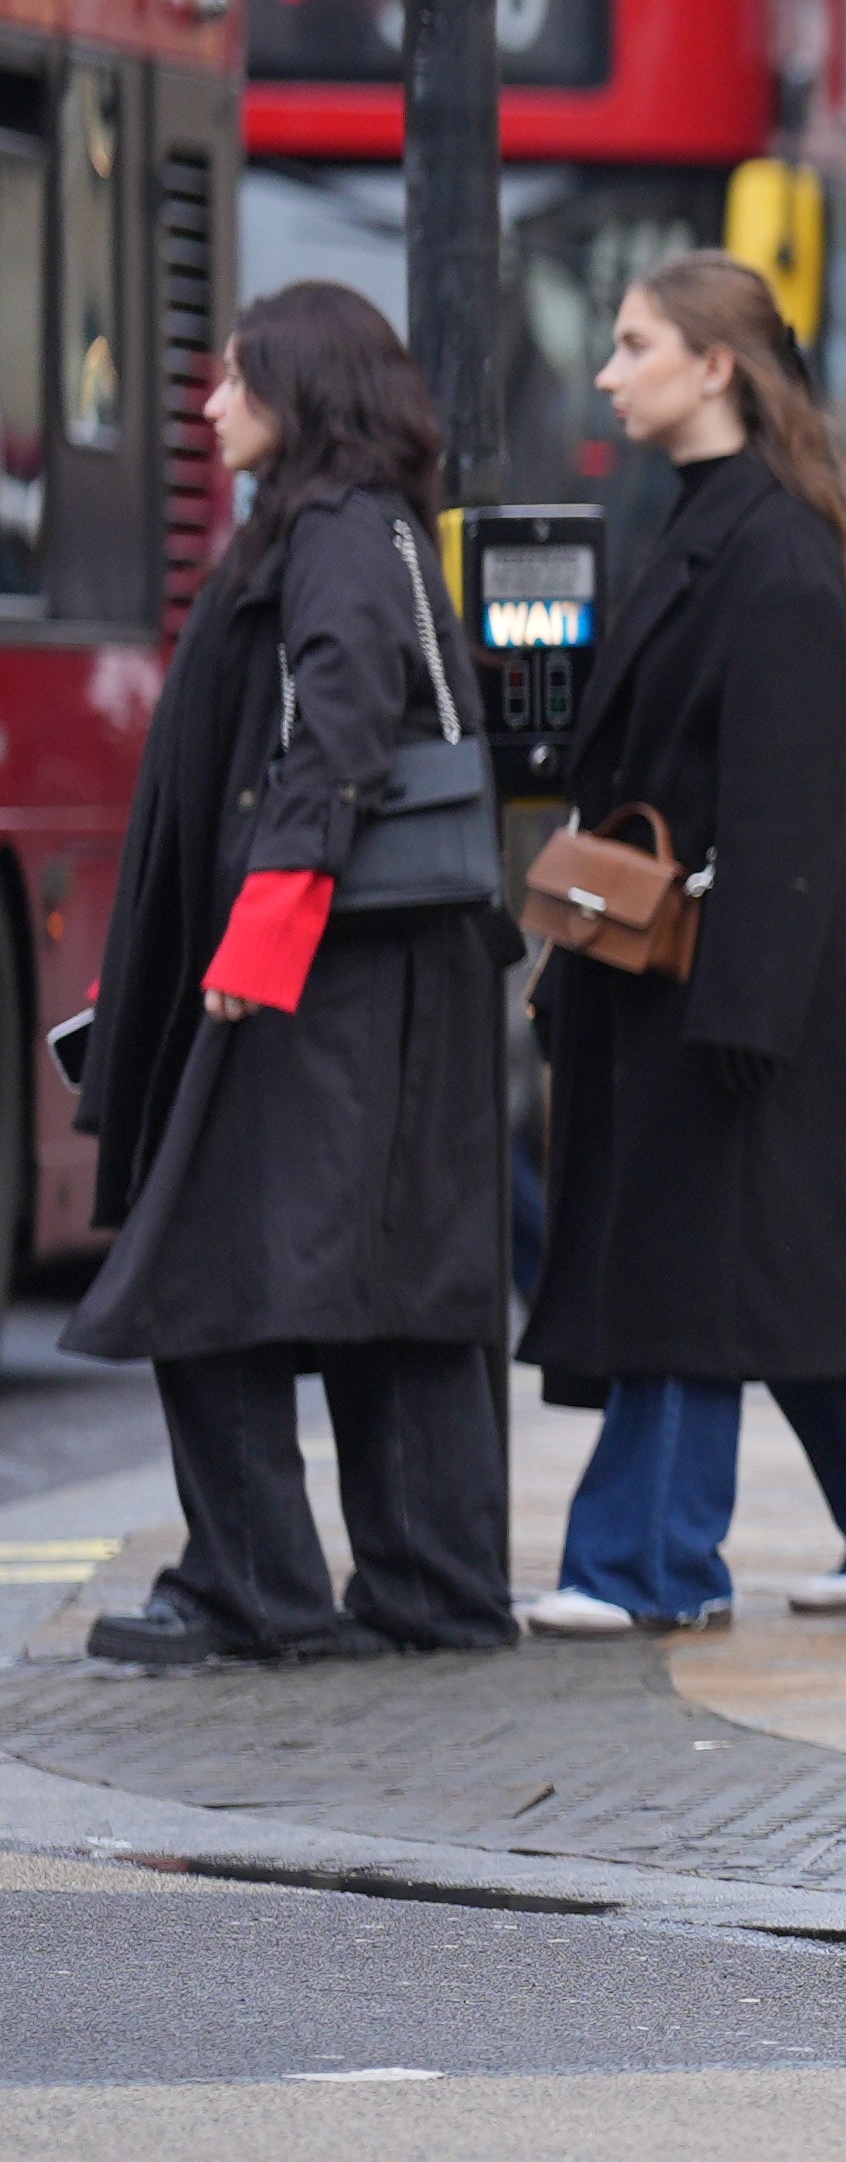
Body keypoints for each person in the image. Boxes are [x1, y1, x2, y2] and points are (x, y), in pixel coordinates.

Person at [520, 257, 846, 1634]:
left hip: (718, 984)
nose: (607, 374)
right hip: (686, 975)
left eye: (633, 344)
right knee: (770, 1286)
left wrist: (743, 1013)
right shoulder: (716, 524)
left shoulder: (762, 549)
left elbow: (790, 812)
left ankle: (648, 1564)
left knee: (692, 1278)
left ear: (715, 366)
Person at [66, 284, 515, 1667]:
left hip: (319, 981)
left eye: (236, 381)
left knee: (200, 1271)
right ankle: (429, 1590)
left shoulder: (334, 539)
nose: (209, 407)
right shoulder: (361, 526)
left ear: (303, 391)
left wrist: (262, 933)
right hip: (381, 985)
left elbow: (338, 730)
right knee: (399, 1284)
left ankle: (256, 1591)